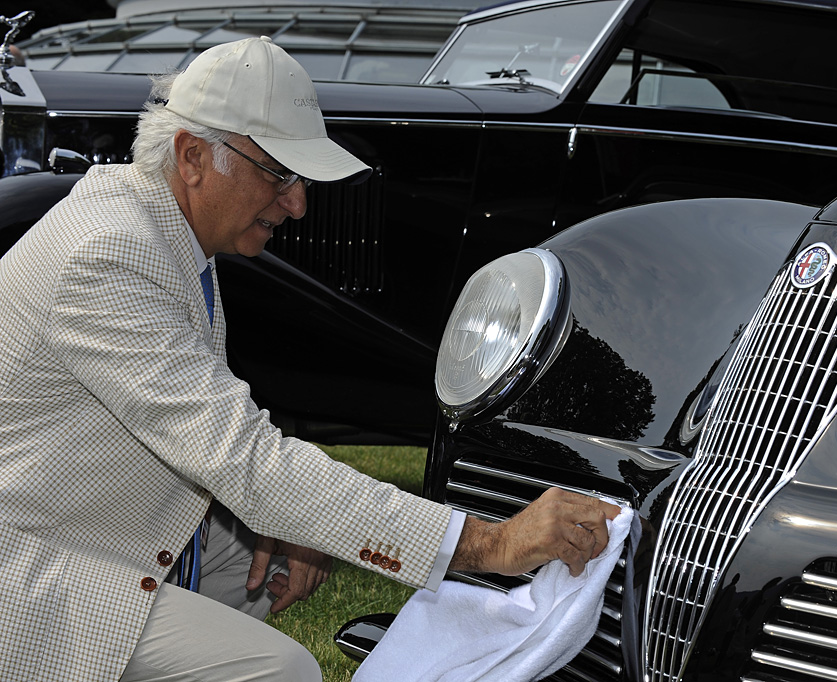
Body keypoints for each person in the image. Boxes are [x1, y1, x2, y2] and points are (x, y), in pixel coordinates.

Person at [0, 36, 619, 682]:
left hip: (72, 518)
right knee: (285, 670)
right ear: (190, 158)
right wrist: (492, 542)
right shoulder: (110, 257)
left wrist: (300, 520)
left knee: (269, 562)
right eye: (277, 172)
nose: (296, 203)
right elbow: (248, 463)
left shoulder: (159, 229)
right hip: (24, 567)